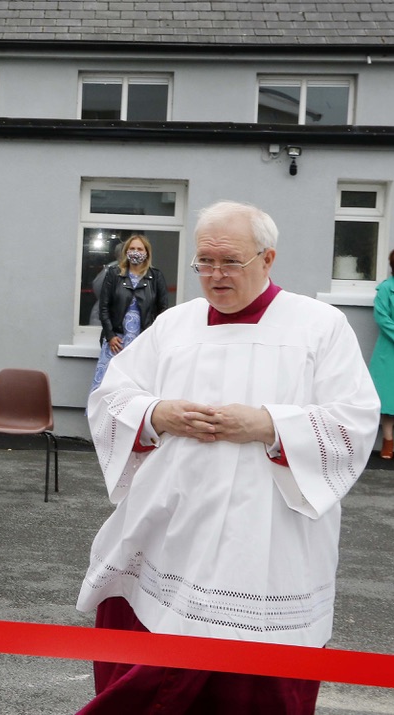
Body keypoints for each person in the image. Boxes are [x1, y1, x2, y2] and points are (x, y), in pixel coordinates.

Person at [79, 200, 379, 714]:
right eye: (205, 262)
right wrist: (157, 414)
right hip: (174, 530)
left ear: (268, 259)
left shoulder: (319, 326)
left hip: (269, 537)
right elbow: (111, 397)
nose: (215, 275)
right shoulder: (175, 325)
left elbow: (354, 421)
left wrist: (267, 425)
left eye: (230, 262)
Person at [89, 234, 168, 393]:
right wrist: (110, 336)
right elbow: (104, 307)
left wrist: (153, 337)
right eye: (132, 248)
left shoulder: (155, 276)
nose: (135, 252)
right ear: (126, 251)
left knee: (135, 385)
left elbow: (163, 310)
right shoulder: (114, 273)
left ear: (147, 252)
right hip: (116, 341)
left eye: (139, 249)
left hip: (142, 341)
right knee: (107, 385)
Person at [369, 249, 394, 460]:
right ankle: (388, 441)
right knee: (388, 400)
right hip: (389, 350)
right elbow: (381, 317)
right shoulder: (386, 288)